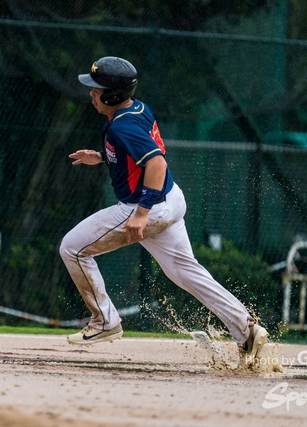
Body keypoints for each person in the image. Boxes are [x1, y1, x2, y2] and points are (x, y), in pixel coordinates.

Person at [59, 56, 268, 362]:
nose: (91, 94)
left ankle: (105, 321)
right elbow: (138, 152)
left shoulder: (122, 126)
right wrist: (102, 156)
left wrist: (141, 214)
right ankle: (247, 330)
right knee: (188, 273)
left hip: (146, 208)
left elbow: (156, 164)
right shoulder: (137, 108)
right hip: (171, 200)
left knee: (73, 249)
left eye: (96, 89)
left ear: (113, 95)